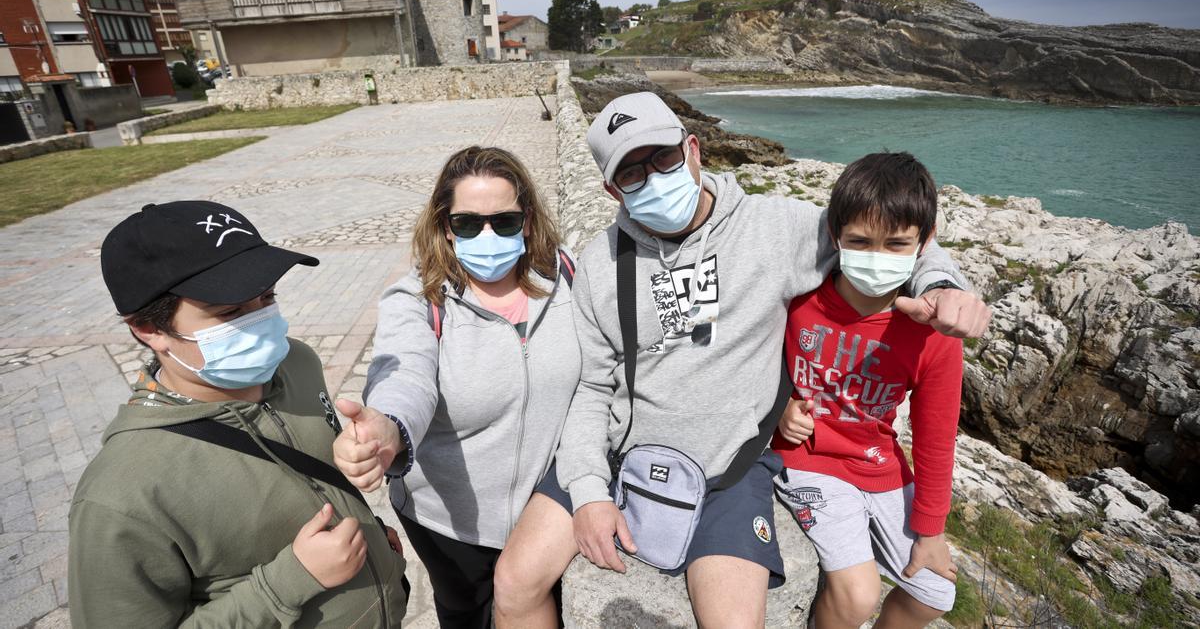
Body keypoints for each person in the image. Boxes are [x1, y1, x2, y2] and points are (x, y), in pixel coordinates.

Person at [491, 92, 990, 628]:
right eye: (632, 173)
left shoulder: (777, 229)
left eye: (662, 157)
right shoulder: (600, 264)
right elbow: (590, 387)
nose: (655, 177)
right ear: (612, 190)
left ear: (693, 149)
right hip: (618, 455)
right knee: (514, 585)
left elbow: (885, 232)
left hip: (729, 469)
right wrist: (589, 493)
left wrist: (940, 282)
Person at [69, 201, 408, 627]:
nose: (263, 322)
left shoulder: (297, 363)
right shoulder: (121, 494)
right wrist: (289, 581)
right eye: (229, 311)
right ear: (148, 329)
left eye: (267, 296)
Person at [331, 146, 581, 628]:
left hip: (548, 500)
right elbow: (405, 373)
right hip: (448, 520)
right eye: (468, 223)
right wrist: (388, 426)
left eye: (504, 221)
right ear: (446, 226)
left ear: (527, 220)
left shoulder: (566, 276)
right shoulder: (418, 299)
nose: (487, 235)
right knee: (465, 614)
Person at [773, 152, 962, 628]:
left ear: (926, 241)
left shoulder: (931, 332)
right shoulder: (799, 300)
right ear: (835, 235)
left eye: (897, 244)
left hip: (879, 463)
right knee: (858, 594)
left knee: (936, 590)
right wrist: (779, 407)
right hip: (809, 459)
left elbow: (936, 437)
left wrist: (931, 529)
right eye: (860, 241)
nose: (877, 257)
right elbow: (754, 358)